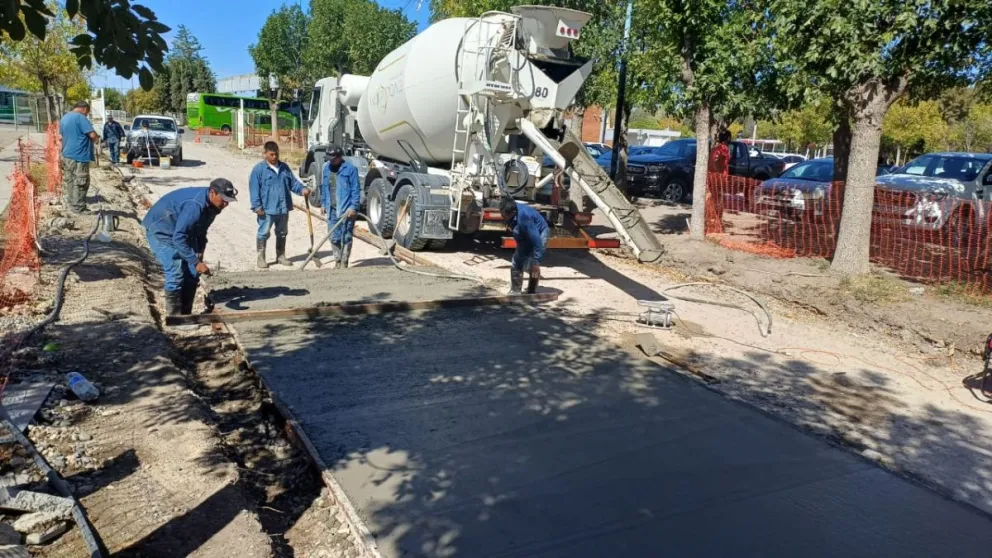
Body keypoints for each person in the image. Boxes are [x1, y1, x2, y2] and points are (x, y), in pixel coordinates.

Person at [142, 179, 237, 316]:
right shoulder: (195, 206)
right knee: (176, 273)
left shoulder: (214, 205)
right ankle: (175, 318)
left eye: (228, 201)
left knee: (192, 272)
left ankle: (186, 314)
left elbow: (202, 229)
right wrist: (196, 261)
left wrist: (199, 251)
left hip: (182, 232)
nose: (226, 204)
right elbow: (178, 237)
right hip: (162, 230)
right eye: (223, 199)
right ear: (212, 193)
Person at [249, 141, 311, 269]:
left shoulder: (284, 168)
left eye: (276, 154)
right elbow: (254, 189)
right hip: (266, 209)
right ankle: (261, 258)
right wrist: (257, 207)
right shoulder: (258, 170)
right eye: (271, 155)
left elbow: (293, 183)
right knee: (263, 233)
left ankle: (280, 256)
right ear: (265, 154)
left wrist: (302, 189)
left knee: (282, 232)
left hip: (283, 208)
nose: (275, 157)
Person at [320, 145, 361, 268]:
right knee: (333, 237)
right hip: (332, 209)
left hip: (346, 209)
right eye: (329, 158)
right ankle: (337, 260)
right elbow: (324, 188)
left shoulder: (350, 169)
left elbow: (356, 190)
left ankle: (344, 262)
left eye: (333, 158)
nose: (330, 161)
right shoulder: (326, 168)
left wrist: (353, 207)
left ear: (339, 157)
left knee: (346, 237)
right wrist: (323, 203)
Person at [500, 197, 549, 295]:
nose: (503, 216)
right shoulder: (509, 210)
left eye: (505, 215)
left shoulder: (524, 218)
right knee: (517, 260)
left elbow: (537, 241)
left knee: (532, 263)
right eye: (502, 214)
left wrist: (536, 262)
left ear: (513, 212)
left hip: (540, 233)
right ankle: (515, 290)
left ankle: (531, 291)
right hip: (524, 234)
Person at [59, 101, 98, 214]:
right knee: (81, 181)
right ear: (84, 109)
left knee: (70, 179)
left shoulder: (65, 118)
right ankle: (79, 208)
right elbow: (93, 135)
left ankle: (72, 203)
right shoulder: (80, 118)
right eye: (87, 112)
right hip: (79, 155)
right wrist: (97, 138)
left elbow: (60, 137)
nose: (86, 115)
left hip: (67, 154)